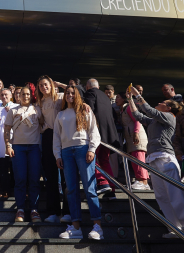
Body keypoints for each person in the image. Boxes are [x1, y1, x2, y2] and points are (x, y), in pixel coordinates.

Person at [127, 86, 184, 239]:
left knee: (175, 195)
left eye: (163, 102)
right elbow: (138, 115)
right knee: (161, 197)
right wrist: (129, 99)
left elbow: (148, 110)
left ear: (168, 108)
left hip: (166, 158)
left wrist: (138, 94)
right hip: (154, 160)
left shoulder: (170, 116)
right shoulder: (154, 120)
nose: (159, 102)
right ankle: (175, 229)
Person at [54, 85, 103, 240]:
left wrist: (92, 149)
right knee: (71, 190)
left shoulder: (85, 110)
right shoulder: (60, 114)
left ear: (77, 95)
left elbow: (94, 131)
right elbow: (56, 137)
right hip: (66, 152)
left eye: (72, 93)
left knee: (89, 188)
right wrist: (57, 155)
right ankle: (75, 227)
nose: (69, 95)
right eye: (67, 93)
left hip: (83, 149)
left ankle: (97, 226)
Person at [4, 87, 43, 223]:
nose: (25, 96)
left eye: (28, 94)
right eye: (23, 94)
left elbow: (44, 126)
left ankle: (34, 209)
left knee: (34, 179)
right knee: (20, 179)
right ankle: (20, 208)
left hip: (34, 147)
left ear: (31, 95)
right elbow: (7, 130)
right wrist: (8, 146)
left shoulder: (37, 109)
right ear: (18, 96)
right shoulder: (13, 110)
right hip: (18, 148)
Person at [35, 75, 71, 223]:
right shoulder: (39, 102)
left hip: (64, 135)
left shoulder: (62, 96)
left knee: (66, 175)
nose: (44, 87)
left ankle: (68, 212)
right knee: (50, 176)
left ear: (51, 84)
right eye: (41, 85)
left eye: (46, 84)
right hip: (48, 136)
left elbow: (78, 94)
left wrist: (61, 84)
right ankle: (53, 212)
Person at [84, 78, 120, 200]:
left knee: (91, 158)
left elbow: (89, 111)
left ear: (87, 87)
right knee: (104, 160)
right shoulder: (105, 97)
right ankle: (111, 190)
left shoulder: (89, 94)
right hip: (109, 134)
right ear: (98, 87)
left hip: (97, 133)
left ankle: (102, 182)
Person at [115, 92, 149, 190]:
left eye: (117, 96)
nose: (116, 99)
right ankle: (143, 182)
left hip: (136, 136)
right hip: (131, 137)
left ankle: (142, 181)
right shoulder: (123, 109)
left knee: (138, 159)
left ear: (124, 99)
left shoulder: (129, 107)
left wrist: (136, 132)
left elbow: (137, 120)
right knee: (135, 159)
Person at [0, 88, 17, 198]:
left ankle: (15, 190)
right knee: (3, 168)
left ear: (11, 96)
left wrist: (12, 112)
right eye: (2, 95)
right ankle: (5, 190)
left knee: (14, 167)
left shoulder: (15, 107)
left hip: (14, 141)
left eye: (6, 94)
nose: (4, 96)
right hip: (0, 142)